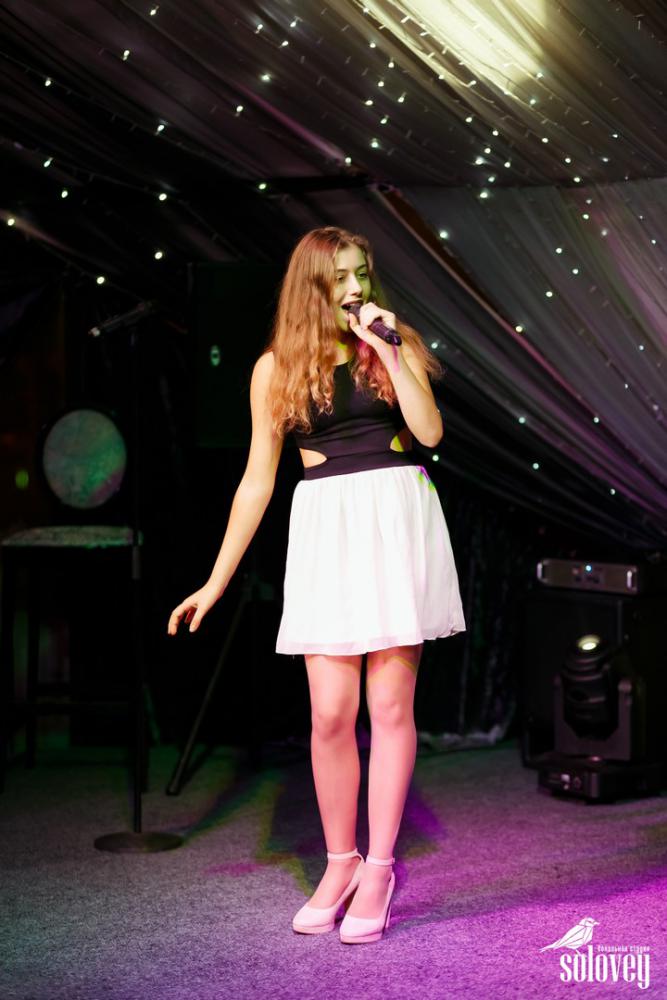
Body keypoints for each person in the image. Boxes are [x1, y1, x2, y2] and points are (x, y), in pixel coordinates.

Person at [168, 226, 465, 944]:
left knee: (388, 705)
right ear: (312, 286)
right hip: (328, 527)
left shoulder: (390, 342)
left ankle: (380, 868)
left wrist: (388, 351)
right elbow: (256, 481)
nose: (356, 287)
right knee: (330, 714)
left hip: (396, 516)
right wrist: (215, 580)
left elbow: (429, 433)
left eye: (362, 272)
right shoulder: (275, 367)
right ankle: (341, 862)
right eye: (341, 277)